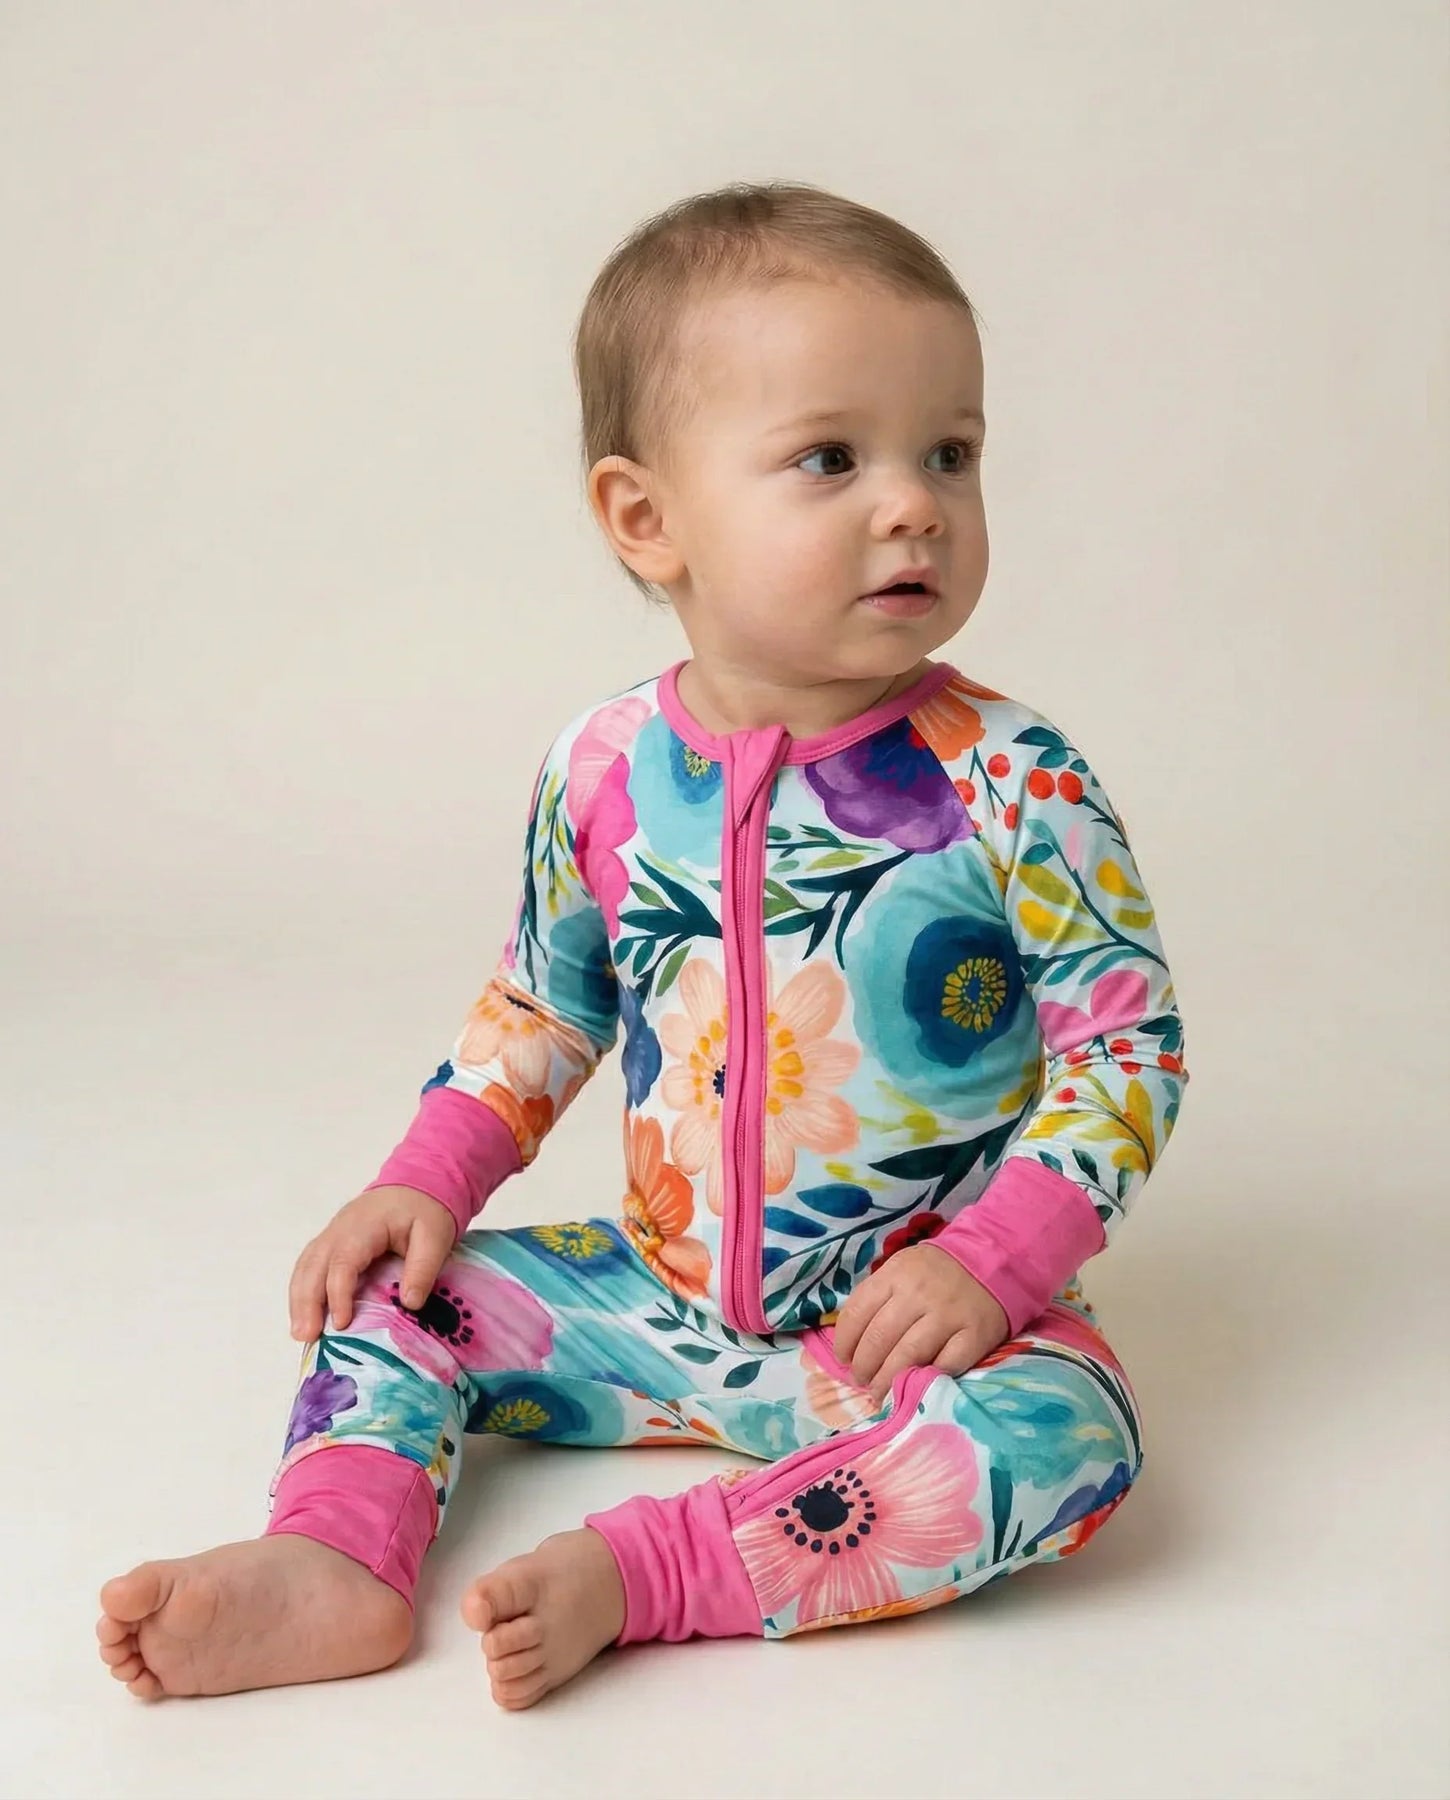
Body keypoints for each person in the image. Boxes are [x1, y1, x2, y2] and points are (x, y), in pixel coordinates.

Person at [96, 179, 1188, 1710]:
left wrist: (993, 1267)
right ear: (645, 518)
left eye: (949, 451)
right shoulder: (605, 767)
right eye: (832, 457)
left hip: (916, 1337)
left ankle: (658, 1571)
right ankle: (337, 1553)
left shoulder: (1014, 779)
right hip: (656, 1308)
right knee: (388, 1298)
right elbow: (544, 1005)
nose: (913, 504)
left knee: (1067, 1443)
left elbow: (1124, 1051)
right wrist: (423, 1179)